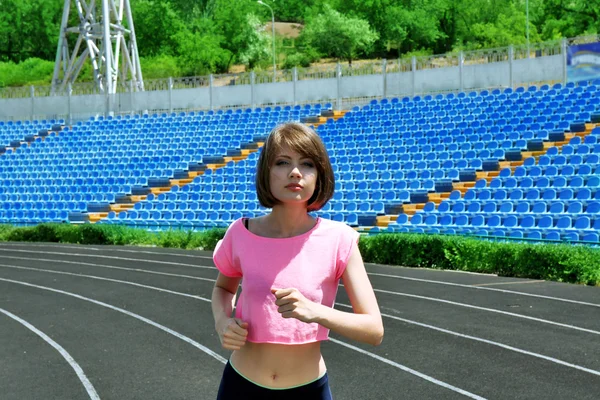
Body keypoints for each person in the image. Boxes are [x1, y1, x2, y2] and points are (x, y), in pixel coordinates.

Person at [211, 122, 384, 399]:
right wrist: (222, 322)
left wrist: (315, 311)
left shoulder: (340, 239)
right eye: (282, 162)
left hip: (308, 391)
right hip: (240, 386)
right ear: (266, 172)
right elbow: (224, 289)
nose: (295, 172)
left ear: (320, 175)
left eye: (307, 164)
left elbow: (374, 329)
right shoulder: (241, 233)